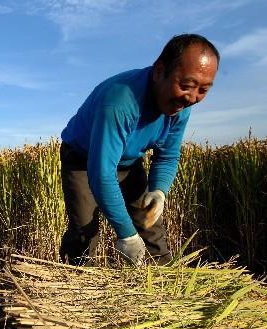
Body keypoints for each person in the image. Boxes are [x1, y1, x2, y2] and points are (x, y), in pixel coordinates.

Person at [59, 34, 219, 267]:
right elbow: (102, 174)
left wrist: (158, 191)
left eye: (203, 89)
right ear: (158, 72)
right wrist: (127, 234)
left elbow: (167, 155)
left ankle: (165, 282)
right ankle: (74, 283)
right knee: (85, 229)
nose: (192, 98)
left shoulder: (180, 105)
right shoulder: (120, 102)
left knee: (150, 222)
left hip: (128, 161)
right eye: (186, 86)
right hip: (84, 160)